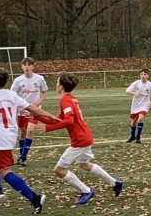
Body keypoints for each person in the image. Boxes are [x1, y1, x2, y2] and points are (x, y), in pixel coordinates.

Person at [0, 66, 45, 212]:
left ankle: (34, 197)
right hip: (9, 135)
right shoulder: (11, 94)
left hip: (0, 138)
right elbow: (32, 108)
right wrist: (51, 117)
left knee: (4, 171)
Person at [49, 73, 123, 205]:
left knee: (59, 170)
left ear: (61, 87)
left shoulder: (65, 100)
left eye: (57, 83)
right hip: (85, 136)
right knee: (84, 164)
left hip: (80, 140)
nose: (56, 85)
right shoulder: (72, 99)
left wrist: (47, 127)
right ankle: (115, 182)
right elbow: (59, 119)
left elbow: (69, 121)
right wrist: (37, 116)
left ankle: (86, 191)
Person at [11, 58, 49, 164]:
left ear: (33, 66)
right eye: (25, 65)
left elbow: (44, 92)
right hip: (22, 110)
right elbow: (12, 94)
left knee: (30, 130)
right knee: (23, 132)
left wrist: (38, 102)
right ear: (22, 66)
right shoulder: (18, 80)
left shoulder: (40, 78)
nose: (27, 67)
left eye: (29, 65)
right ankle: (21, 156)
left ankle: (23, 157)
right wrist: (20, 105)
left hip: (35, 110)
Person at [125, 68, 151, 141]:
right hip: (135, 105)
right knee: (133, 122)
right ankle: (132, 136)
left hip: (145, 104)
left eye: (145, 74)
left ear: (148, 76)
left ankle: (138, 137)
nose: (143, 76)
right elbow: (127, 91)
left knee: (140, 119)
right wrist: (134, 93)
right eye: (141, 74)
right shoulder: (136, 83)